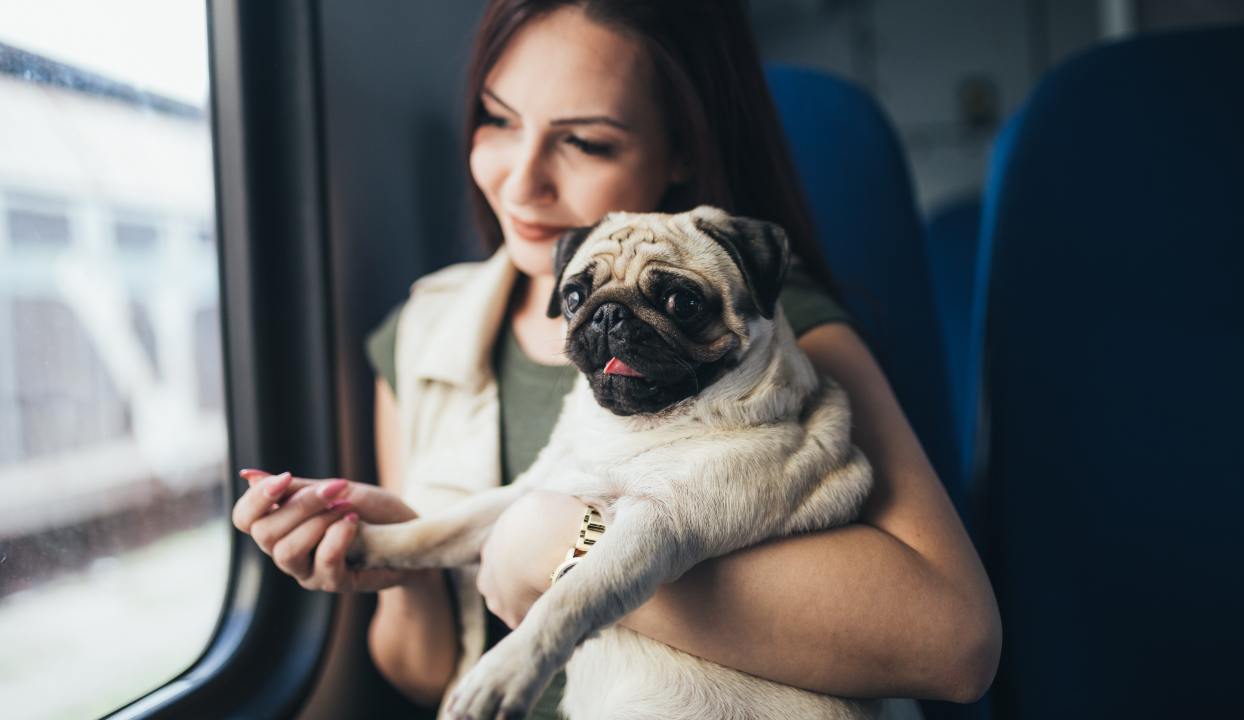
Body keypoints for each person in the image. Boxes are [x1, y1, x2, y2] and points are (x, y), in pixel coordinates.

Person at [232, 1, 1002, 718]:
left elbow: (958, 648)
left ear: (680, 152)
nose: (523, 179)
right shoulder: (422, 334)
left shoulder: (782, 331)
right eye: (497, 121)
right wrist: (400, 563)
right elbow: (435, 677)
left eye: (584, 141)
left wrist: (555, 544)